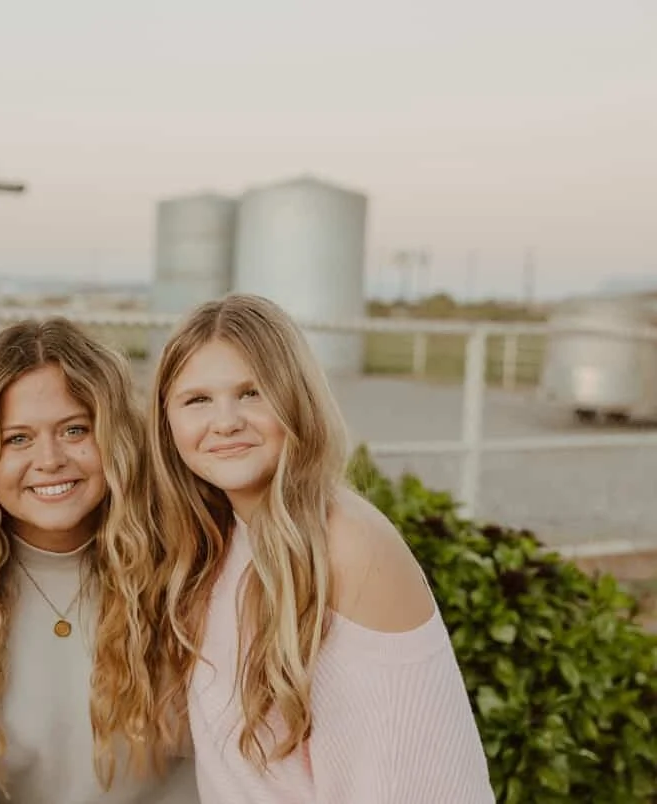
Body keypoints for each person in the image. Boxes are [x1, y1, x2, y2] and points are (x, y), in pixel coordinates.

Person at [148, 293, 495, 803]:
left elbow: (412, 780)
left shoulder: (344, 542)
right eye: (197, 399)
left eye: (252, 392)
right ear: (167, 422)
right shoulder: (217, 539)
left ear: (296, 399)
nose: (225, 421)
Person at [0, 318, 198, 804]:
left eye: (75, 429)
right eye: (18, 439)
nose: (49, 459)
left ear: (115, 436)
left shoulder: (185, 556)